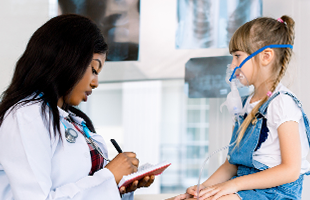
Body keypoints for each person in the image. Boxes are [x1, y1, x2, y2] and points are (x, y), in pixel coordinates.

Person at [0, 14, 154, 200]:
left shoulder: (73, 121)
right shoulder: (25, 116)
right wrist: (109, 176)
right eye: (94, 70)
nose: (95, 83)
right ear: (66, 60)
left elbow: (86, 189)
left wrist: (121, 187)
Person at [169, 15, 310, 200]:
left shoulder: (281, 103)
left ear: (266, 57)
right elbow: (232, 164)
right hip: (243, 186)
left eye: (237, 56)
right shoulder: (245, 104)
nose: (233, 65)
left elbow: (290, 170)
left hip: (276, 192)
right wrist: (202, 189)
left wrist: (232, 185)